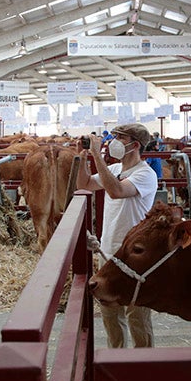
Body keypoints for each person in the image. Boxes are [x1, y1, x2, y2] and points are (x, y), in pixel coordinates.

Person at [76, 123, 158, 348]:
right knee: (110, 314)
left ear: (135, 145)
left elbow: (117, 191)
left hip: (135, 256)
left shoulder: (145, 174)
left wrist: (97, 156)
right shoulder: (113, 170)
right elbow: (83, 183)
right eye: (115, 137)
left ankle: (144, 362)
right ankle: (116, 359)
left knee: (137, 316)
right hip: (108, 250)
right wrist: (83, 157)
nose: (115, 142)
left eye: (121, 138)